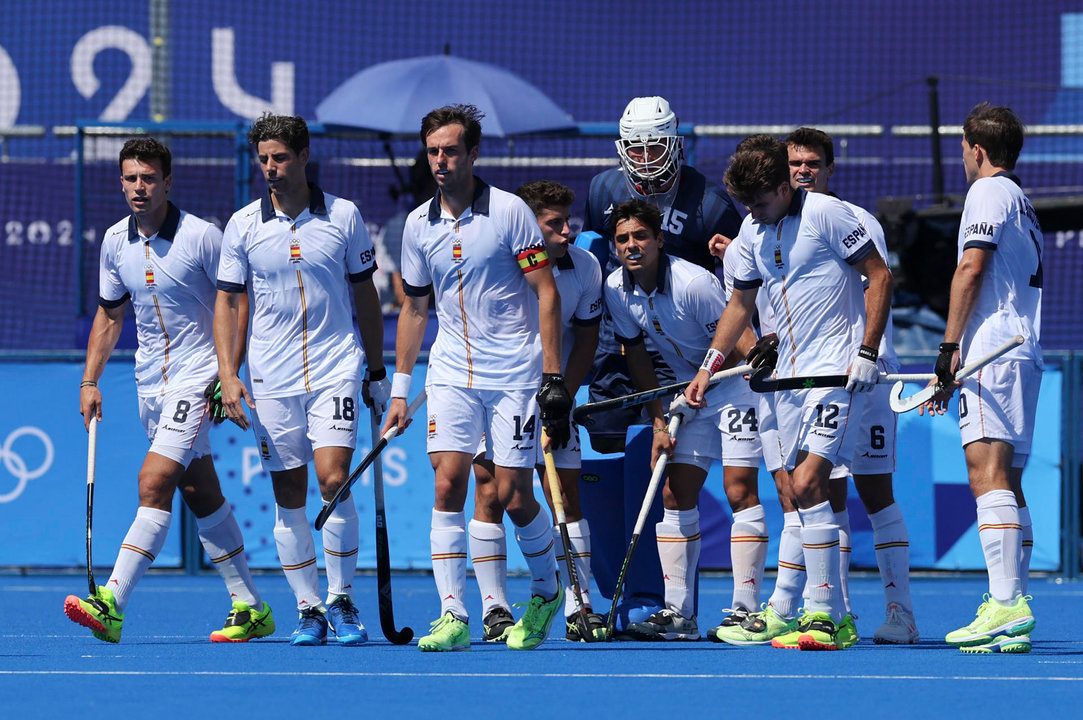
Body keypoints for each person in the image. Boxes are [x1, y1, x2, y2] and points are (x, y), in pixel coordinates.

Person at [685, 141, 893, 651]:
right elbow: (740, 303)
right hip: (780, 383)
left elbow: (880, 275)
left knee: (807, 482)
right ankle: (808, 611)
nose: (751, 215)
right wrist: (710, 366)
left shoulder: (828, 213)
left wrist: (866, 352)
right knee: (794, 494)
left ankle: (827, 617)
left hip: (834, 374)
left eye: (758, 203)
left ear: (785, 187)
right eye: (745, 206)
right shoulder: (754, 229)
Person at [65, 137, 272, 644]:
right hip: (148, 383)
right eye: (131, 178)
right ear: (121, 183)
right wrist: (90, 379)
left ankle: (112, 601)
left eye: (149, 178)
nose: (140, 187)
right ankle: (251, 606)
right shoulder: (115, 241)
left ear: (167, 182)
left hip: (198, 376)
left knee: (153, 483)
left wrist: (228, 373)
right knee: (200, 492)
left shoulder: (203, 237)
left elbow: (238, 303)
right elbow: (110, 314)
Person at [381, 104, 569, 652]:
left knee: (511, 495)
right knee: (447, 483)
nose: (440, 161)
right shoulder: (418, 224)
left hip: (513, 374)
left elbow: (548, 294)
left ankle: (546, 588)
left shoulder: (511, 213)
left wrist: (552, 377)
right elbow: (416, 311)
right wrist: (399, 389)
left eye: (451, 151)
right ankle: (453, 613)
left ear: (472, 154)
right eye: (433, 151)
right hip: (449, 374)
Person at [213, 114, 388, 647]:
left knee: (334, 480)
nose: (270, 168)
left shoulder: (344, 216)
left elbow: (365, 295)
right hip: (271, 378)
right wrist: (228, 374)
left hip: (335, 367)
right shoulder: (242, 224)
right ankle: (308, 608)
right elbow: (227, 302)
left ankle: (341, 598)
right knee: (288, 495)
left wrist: (377, 370)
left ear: (304, 156)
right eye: (263, 159)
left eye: (280, 158)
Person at [780, 127, 919, 645]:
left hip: (865, 375)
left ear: (830, 168)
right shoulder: (774, 225)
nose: (802, 170)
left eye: (812, 162)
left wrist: (867, 355)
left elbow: (873, 284)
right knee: (822, 493)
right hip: (813, 379)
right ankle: (834, 615)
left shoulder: (855, 220)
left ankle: (901, 614)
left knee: (876, 492)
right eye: (794, 163)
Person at [599, 199, 759, 641]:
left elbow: (742, 335)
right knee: (673, 493)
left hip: (738, 385)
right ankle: (678, 614)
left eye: (641, 237)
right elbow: (636, 354)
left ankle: (746, 612)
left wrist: (767, 386)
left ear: (659, 240)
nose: (632, 246)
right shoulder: (615, 287)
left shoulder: (694, 284)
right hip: (691, 393)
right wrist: (657, 420)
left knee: (739, 488)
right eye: (623, 239)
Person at [922, 103, 1041, 654]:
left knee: (986, 474)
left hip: (993, 350)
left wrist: (948, 348)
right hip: (1019, 350)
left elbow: (970, 267)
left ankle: (1005, 605)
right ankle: (1013, 604)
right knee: (1008, 482)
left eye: (962, 148)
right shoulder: (1020, 198)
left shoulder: (988, 192)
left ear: (975, 149)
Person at [469, 180, 605, 643]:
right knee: (490, 489)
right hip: (495, 390)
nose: (568, 232)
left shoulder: (585, 267)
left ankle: (577, 605)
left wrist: (561, 397)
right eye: (555, 224)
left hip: (554, 394)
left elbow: (585, 339)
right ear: (529, 225)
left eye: (570, 222)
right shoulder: (496, 264)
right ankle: (495, 609)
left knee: (563, 494)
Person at [583, 96, 743, 453]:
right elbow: (593, 254)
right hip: (620, 331)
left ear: (673, 144)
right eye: (636, 150)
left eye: (654, 147)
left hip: (681, 337)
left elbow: (741, 281)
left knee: (673, 442)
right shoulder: (602, 189)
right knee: (605, 435)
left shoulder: (711, 203)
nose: (645, 158)